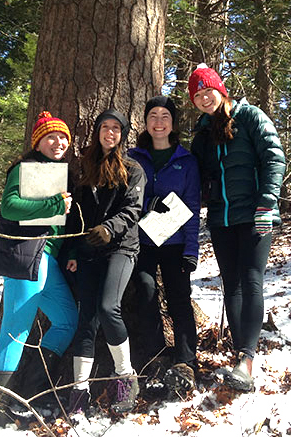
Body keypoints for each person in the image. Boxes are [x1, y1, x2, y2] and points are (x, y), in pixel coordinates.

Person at [188, 64, 286, 392]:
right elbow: (196, 176)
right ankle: (239, 357)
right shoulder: (202, 134)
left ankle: (247, 358)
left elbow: (274, 157)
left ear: (221, 89)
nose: (204, 99)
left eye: (208, 92)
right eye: (197, 96)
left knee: (252, 279)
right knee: (231, 284)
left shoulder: (250, 116)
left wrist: (267, 202)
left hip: (255, 214)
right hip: (221, 219)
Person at [0, 111, 79, 427]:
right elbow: (9, 207)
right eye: (51, 137)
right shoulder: (24, 169)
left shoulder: (61, 173)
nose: (59, 142)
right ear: (37, 141)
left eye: (63, 137)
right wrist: (52, 205)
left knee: (68, 321)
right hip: (27, 257)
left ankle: (30, 389)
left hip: (50, 261)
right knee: (15, 332)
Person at [66, 109, 146, 414]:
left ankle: (125, 375)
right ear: (97, 131)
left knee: (106, 307)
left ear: (122, 135)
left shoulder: (132, 168)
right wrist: (73, 251)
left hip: (121, 249)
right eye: (105, 127)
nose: (110, 133)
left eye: (116, 129)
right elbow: (76, 216)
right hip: (88, 251)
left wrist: (109, 228)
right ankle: (78, 391)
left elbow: (132, 209)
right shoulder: (85, 169)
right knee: (86, 317)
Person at [128, 96, 201, 397]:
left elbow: (194, 206)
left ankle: (185, 362)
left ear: (173, 123)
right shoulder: (134, 157)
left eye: (165, 116)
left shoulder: (186, 160)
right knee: (145, 293)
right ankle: (157, 357)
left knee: (179, 298)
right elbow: (125, 198)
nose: (159, 121)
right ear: (146, 122)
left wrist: (192, 250)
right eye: (153, 115)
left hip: (175, 242)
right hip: (142, 241)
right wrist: (148, 204)